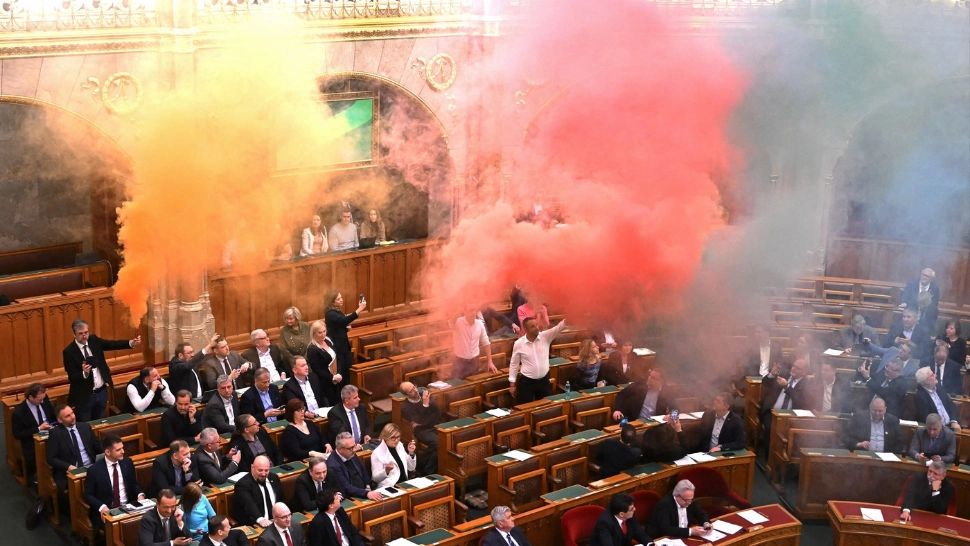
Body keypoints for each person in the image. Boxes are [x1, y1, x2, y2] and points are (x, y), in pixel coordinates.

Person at [63, 318, 141, 421]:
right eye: (80, 333)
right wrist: (84, 373)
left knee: (100, 422)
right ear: (74, 334)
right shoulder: (69, 352)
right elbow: (72, 376)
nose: (84, 336)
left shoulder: (93, 340)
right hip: (84, 397)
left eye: (86, 332)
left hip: (101, 393)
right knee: (87, 426)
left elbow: (111, 344)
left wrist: (130, 343)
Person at [84, 433, 145, 528]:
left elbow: (134, 484)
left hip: (129, 507)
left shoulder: (127, 462)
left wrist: (140, 495)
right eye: (118, 450)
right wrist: (101, 507)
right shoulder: (94, 470)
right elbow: (88, 494)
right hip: (108, 510)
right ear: (107, 452)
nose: (123, 451)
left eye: (122, 448)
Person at [509, 316, 567, 403]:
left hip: (544, 381)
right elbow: (514, 364)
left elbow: (559, 327)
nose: (537, 328)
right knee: (526, 408)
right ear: (525, 329)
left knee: (546, 407)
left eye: (536, 325)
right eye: (533, 326)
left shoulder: (545, 336)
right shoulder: (518, 343)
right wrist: (512, 384)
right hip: (526, 383)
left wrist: (569, 317)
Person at [47, 404, 97, 493]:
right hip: (70, 471)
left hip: (91, 467)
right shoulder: (55, 433)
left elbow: (97, 447)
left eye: (72, 413)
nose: (72, 417)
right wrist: (68, 466)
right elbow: (51, 458)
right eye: (67, 416)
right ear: (60, 420)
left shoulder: (85, 427)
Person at [11, 382, 54, 481]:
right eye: (40, 400)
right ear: (30, 397)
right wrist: (39, 429)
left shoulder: (44, 399)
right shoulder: (19, 412)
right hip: (32, 444)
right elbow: (17, 434)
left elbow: (52, 415)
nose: (43, 402)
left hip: (50, 436)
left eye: (43, 398)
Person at [399, 381, 441, 475]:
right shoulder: (406, 407)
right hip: (422, 431)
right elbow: (418, 420)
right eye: (411, 390)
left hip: (435, 425)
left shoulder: (423, 392)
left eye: (414, 387)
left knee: (444, 442)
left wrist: (427, 406)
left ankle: (422, 464)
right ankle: (428, 470)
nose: (415, 390)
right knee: (438, 442)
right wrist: (425, 405)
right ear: (407, 395)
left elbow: (436, 409)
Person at [326, 432, 382, 500]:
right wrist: (366, 493)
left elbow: (363, 472)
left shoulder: (351, 453)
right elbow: (346, 487)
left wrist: (368, 487)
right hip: (351, 497)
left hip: (365, 491)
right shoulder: (333, 465)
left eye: (354, 446)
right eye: (350, 448)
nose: (354, 450)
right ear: (340, 449)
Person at [233, 455, 283, 527]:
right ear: (252, 467)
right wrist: (260, 519)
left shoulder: (274, 478)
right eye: (260, 470)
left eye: (266, 470)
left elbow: (281, 499)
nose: (263, 474)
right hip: (255, 524)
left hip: (276, 521)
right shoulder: (242, 485)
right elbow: (249, 504)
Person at [324, 290, 366, 376]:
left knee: (347, 371)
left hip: (343, 346)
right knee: (342, 372)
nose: (341, 300)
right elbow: (343, 320)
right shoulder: (330, 313)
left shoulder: (337, 311)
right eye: (338, 299)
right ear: (332, 302)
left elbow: (340, 324)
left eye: (341, 298)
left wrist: (345, 328)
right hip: (337, 348)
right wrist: (360, 309)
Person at [452, 308, 498, 379]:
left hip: (474, 362)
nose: (473, 313)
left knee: (474, 385)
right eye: (470, 310)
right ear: (464, 311)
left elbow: (486, 343)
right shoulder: (458, 322)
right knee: (458, 387)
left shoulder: (480, 324)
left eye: (474, 310)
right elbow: (450, 317)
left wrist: (490, 361)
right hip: (459, 362)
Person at [370, 423, 417, 489]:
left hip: (403, 484)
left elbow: (411, 467)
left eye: (398, 437)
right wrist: (386, 471)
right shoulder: (377, 453)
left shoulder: (399, 445)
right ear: (385, 437)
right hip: (389, 487)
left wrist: (411, 453)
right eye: (393, 438)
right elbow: (375, 478)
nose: (396, 440)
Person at [913, 367, 961, 431]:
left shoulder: (938, 387)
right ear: (926, 381)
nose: (936, 375)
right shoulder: (920, 396)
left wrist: (954, 421)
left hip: (951, 425)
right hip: (937, 430)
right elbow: (926, 418)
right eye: (932, 375)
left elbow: (950, 405)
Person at [306, 319, 341, 405]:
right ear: (314, 334)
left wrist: (339, 373)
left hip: (337, 379)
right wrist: (332, 377)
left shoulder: (328, 341)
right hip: (324, 383)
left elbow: (337, 358)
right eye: (320, 332)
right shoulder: (312, 349)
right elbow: (317, 369)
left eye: (324, 331)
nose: (323, 334)